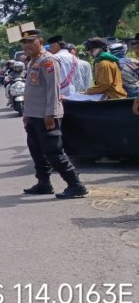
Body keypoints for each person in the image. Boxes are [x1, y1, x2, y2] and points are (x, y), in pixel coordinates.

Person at [19, 30, 87, 198]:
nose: (27, 45)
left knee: (54, 152)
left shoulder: (48, 60)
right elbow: (31, 91)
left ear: (40, 42)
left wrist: (50, 114)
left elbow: (53, 89)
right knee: (36, 151)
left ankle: (75, 185)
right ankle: (44, 183)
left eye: (31, 42)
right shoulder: (34, 61)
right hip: (34, 115)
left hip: (46, 116)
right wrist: (27, 114)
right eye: (24, 42)